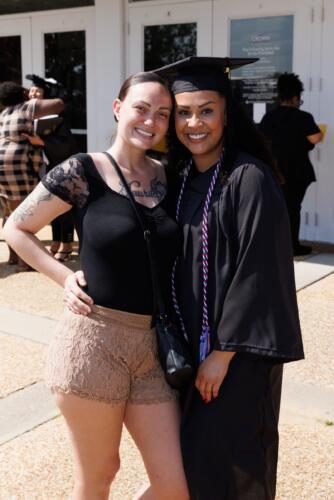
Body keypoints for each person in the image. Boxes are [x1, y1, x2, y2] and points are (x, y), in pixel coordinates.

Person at [3, 72, 189, 500]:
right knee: (99, 475)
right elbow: (17, 227)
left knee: (175, 483)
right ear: (118, 108)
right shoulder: (82, 170)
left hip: (152, 349)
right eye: (141, 108)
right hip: (93, 342)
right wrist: (63, 276)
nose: (152, 120)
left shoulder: (170, 177)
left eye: (163, 114)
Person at [154, 56, 304, 499]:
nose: (193, 123)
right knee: (194, 463)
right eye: (183, 112)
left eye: (206, 110)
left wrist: (222, 353)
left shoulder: (248, 178)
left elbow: (259, 270)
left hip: (234, 360)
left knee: (237, 464)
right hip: (186, 356)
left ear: (226, 113)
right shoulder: (178, 180)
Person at [0, 81, 64, 270]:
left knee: (8, 209)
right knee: (23, 211)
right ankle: (24, 261)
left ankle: (13, 255)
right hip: (18, 165)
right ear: (21, 94)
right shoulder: (27, 107)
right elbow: (59, 104)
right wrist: (32, 99)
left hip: (2, 163)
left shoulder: (4, 113)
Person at [259, 72, 323, 256]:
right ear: (296, 97)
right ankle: (292, 245)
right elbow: (316, 137)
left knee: (278, 208)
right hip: (298, 171)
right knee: (293, 208)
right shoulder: (303, 117)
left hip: (276, 171)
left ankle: (277, 244)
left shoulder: (269, 117)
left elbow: (262, 140)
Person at [28, 80, 78, 261]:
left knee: (63, 205)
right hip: (45, 166)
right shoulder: (27, 116)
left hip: (61, 164)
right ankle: (56, 240)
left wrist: (40, 142)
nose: (33, 94)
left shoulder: (57, 116)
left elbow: (65, 144)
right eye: (31, 92)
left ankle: (67, 243)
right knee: (51, 205)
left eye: (37, 92)